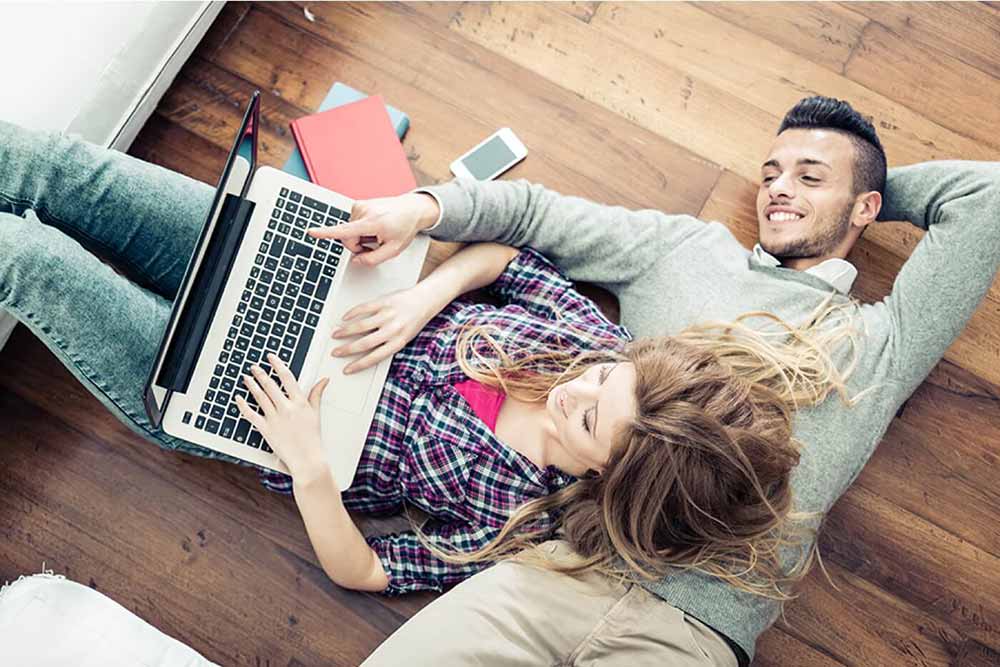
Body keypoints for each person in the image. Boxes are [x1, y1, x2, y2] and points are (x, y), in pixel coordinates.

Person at [0, 111, 856, 622]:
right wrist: (426, 292)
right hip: (297, 269)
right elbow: (502, 259)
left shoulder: (522, 524)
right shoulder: (595, 351)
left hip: (242, 400)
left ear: (609, 479)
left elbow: (367, 570)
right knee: (61, 171)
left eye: (591, 416)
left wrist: (307, 466)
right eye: (606, 377)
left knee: (25, 258)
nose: (579, 386)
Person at [303, 96, 1000, 667]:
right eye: (772, 172)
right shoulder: (686, 251)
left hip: (691, 635)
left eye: (809, 177)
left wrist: (864, 185)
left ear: (865, 206)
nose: (781, 188)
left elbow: (987, 197)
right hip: (561, 565)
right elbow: (537, 216)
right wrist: (424, 209)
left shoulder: (877, 343)